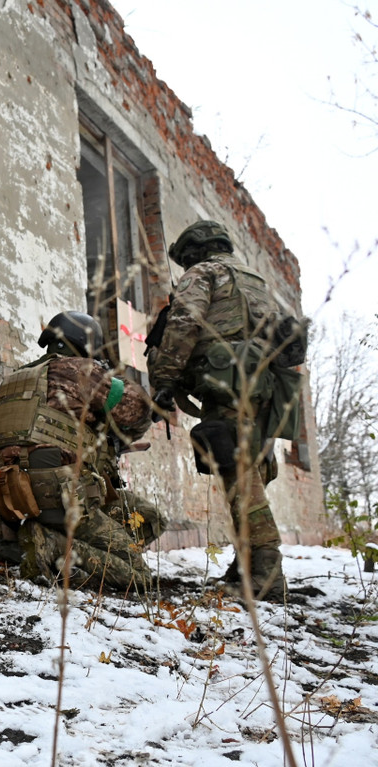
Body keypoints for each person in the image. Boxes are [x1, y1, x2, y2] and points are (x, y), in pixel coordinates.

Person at [148, 220, 288, 600]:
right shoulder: (255, 279)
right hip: (262, 383)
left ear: (195, 249)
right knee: (251, 471)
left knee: (238, 473)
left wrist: (164, 378)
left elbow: (184, 322)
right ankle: (246, 563)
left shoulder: (204, 272)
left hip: (227, 380)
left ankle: (266, 572)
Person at [0, 311, 162, 591]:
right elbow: (136, 409)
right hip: (64, 499)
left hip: (15, 497)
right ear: (87, 345)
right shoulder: (83, 371)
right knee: (140, 578)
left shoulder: (18, 377)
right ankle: (54, 545)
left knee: (149, 515)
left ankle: (69, 559)